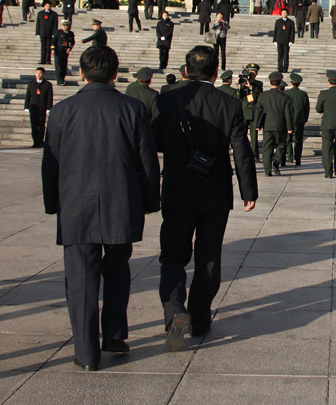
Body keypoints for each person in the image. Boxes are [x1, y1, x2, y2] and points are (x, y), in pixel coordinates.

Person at [42, 46, 160, 370]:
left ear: (81, 73)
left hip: (76, 204)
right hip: (121, 202)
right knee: (118, 269)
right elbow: (147, 162)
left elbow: (49, 165)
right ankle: (115, 335)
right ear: (114, 74)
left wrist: (53, 203)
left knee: (80, 277)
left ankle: (86, 353)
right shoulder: (133, 109)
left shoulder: (63, 111)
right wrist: (151, 201)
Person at [152, 45, 257, 351]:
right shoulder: (229, 103)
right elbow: (241, 150)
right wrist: (248, 191)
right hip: (214, 192)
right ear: (215, 71)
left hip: (176, 189)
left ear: (186, 70)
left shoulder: (167, 99)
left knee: (172, 255)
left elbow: (154, 139)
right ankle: (199, 318)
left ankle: (174, 311)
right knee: (208, 256)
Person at [255, 71, 293, 176]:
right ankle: (276, 162)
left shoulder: (263, 96)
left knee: (267, 148)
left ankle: (267, 170)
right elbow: (288, 114)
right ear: (280, 82)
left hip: (267, 125)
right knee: (282, 145)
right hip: (280, 126)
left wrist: (257, 125)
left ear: (270, 82)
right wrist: (289, 127)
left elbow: (258, 110)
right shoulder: (285, 97)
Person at [284, 73, 310, 165]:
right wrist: (305, 119)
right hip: (300, 120)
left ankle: (290, 156)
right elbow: (306, 108)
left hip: (288, 121)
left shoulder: (286, 93)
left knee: (288, 139)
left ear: (291, 83)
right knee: (299, 140)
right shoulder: (303, 94)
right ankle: (298, 158)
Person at [26, 67, 53, 148]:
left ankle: (40, 142)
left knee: (41, 126)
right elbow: (28, 96)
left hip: (42, 108)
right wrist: (26, 106)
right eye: (37, 73)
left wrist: (48, 108)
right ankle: (35, 141)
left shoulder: (47, 84)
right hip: (33, 108)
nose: (38, 75)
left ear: (43, 74)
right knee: (34, 126)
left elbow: (49, 97)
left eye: (40, 73)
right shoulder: (31, 84)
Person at [51, 19, 75, 85]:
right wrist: (53, 49)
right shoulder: (58, 32)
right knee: (58, 67)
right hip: (58, 51)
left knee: (64, 67)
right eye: (63, 26)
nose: (64, 27)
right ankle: (59, 81)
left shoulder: (70, 34)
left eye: (66, 26)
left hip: (65, 52)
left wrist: (69, 48)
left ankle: (63, 79)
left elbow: (72, 42)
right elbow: (53, 41)